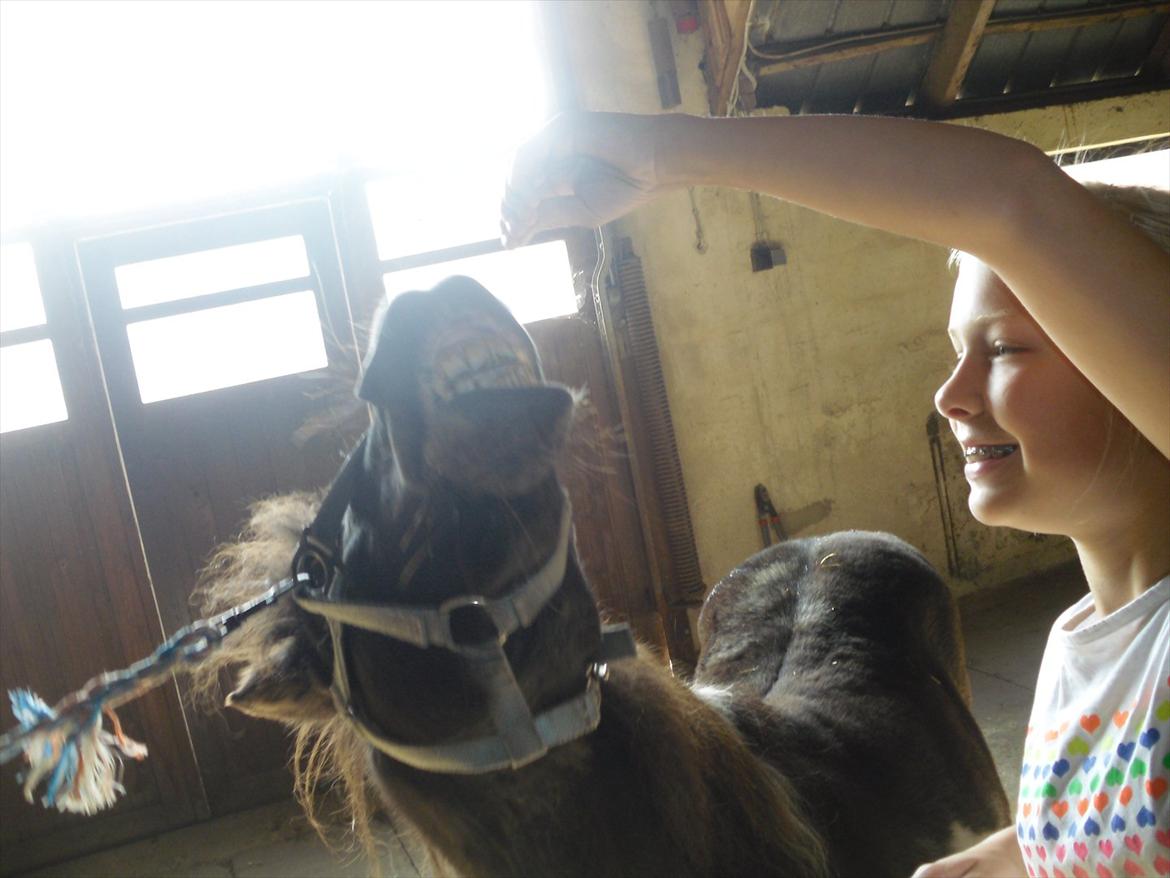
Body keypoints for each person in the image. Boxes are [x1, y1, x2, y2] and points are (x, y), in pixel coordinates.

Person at [501, 112, 1170, 877]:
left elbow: (1011, 197)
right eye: (958, 350)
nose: (950, 395)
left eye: (1005, 348)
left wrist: (666, 155)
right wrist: (1008, 857)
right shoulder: (1079, 644)